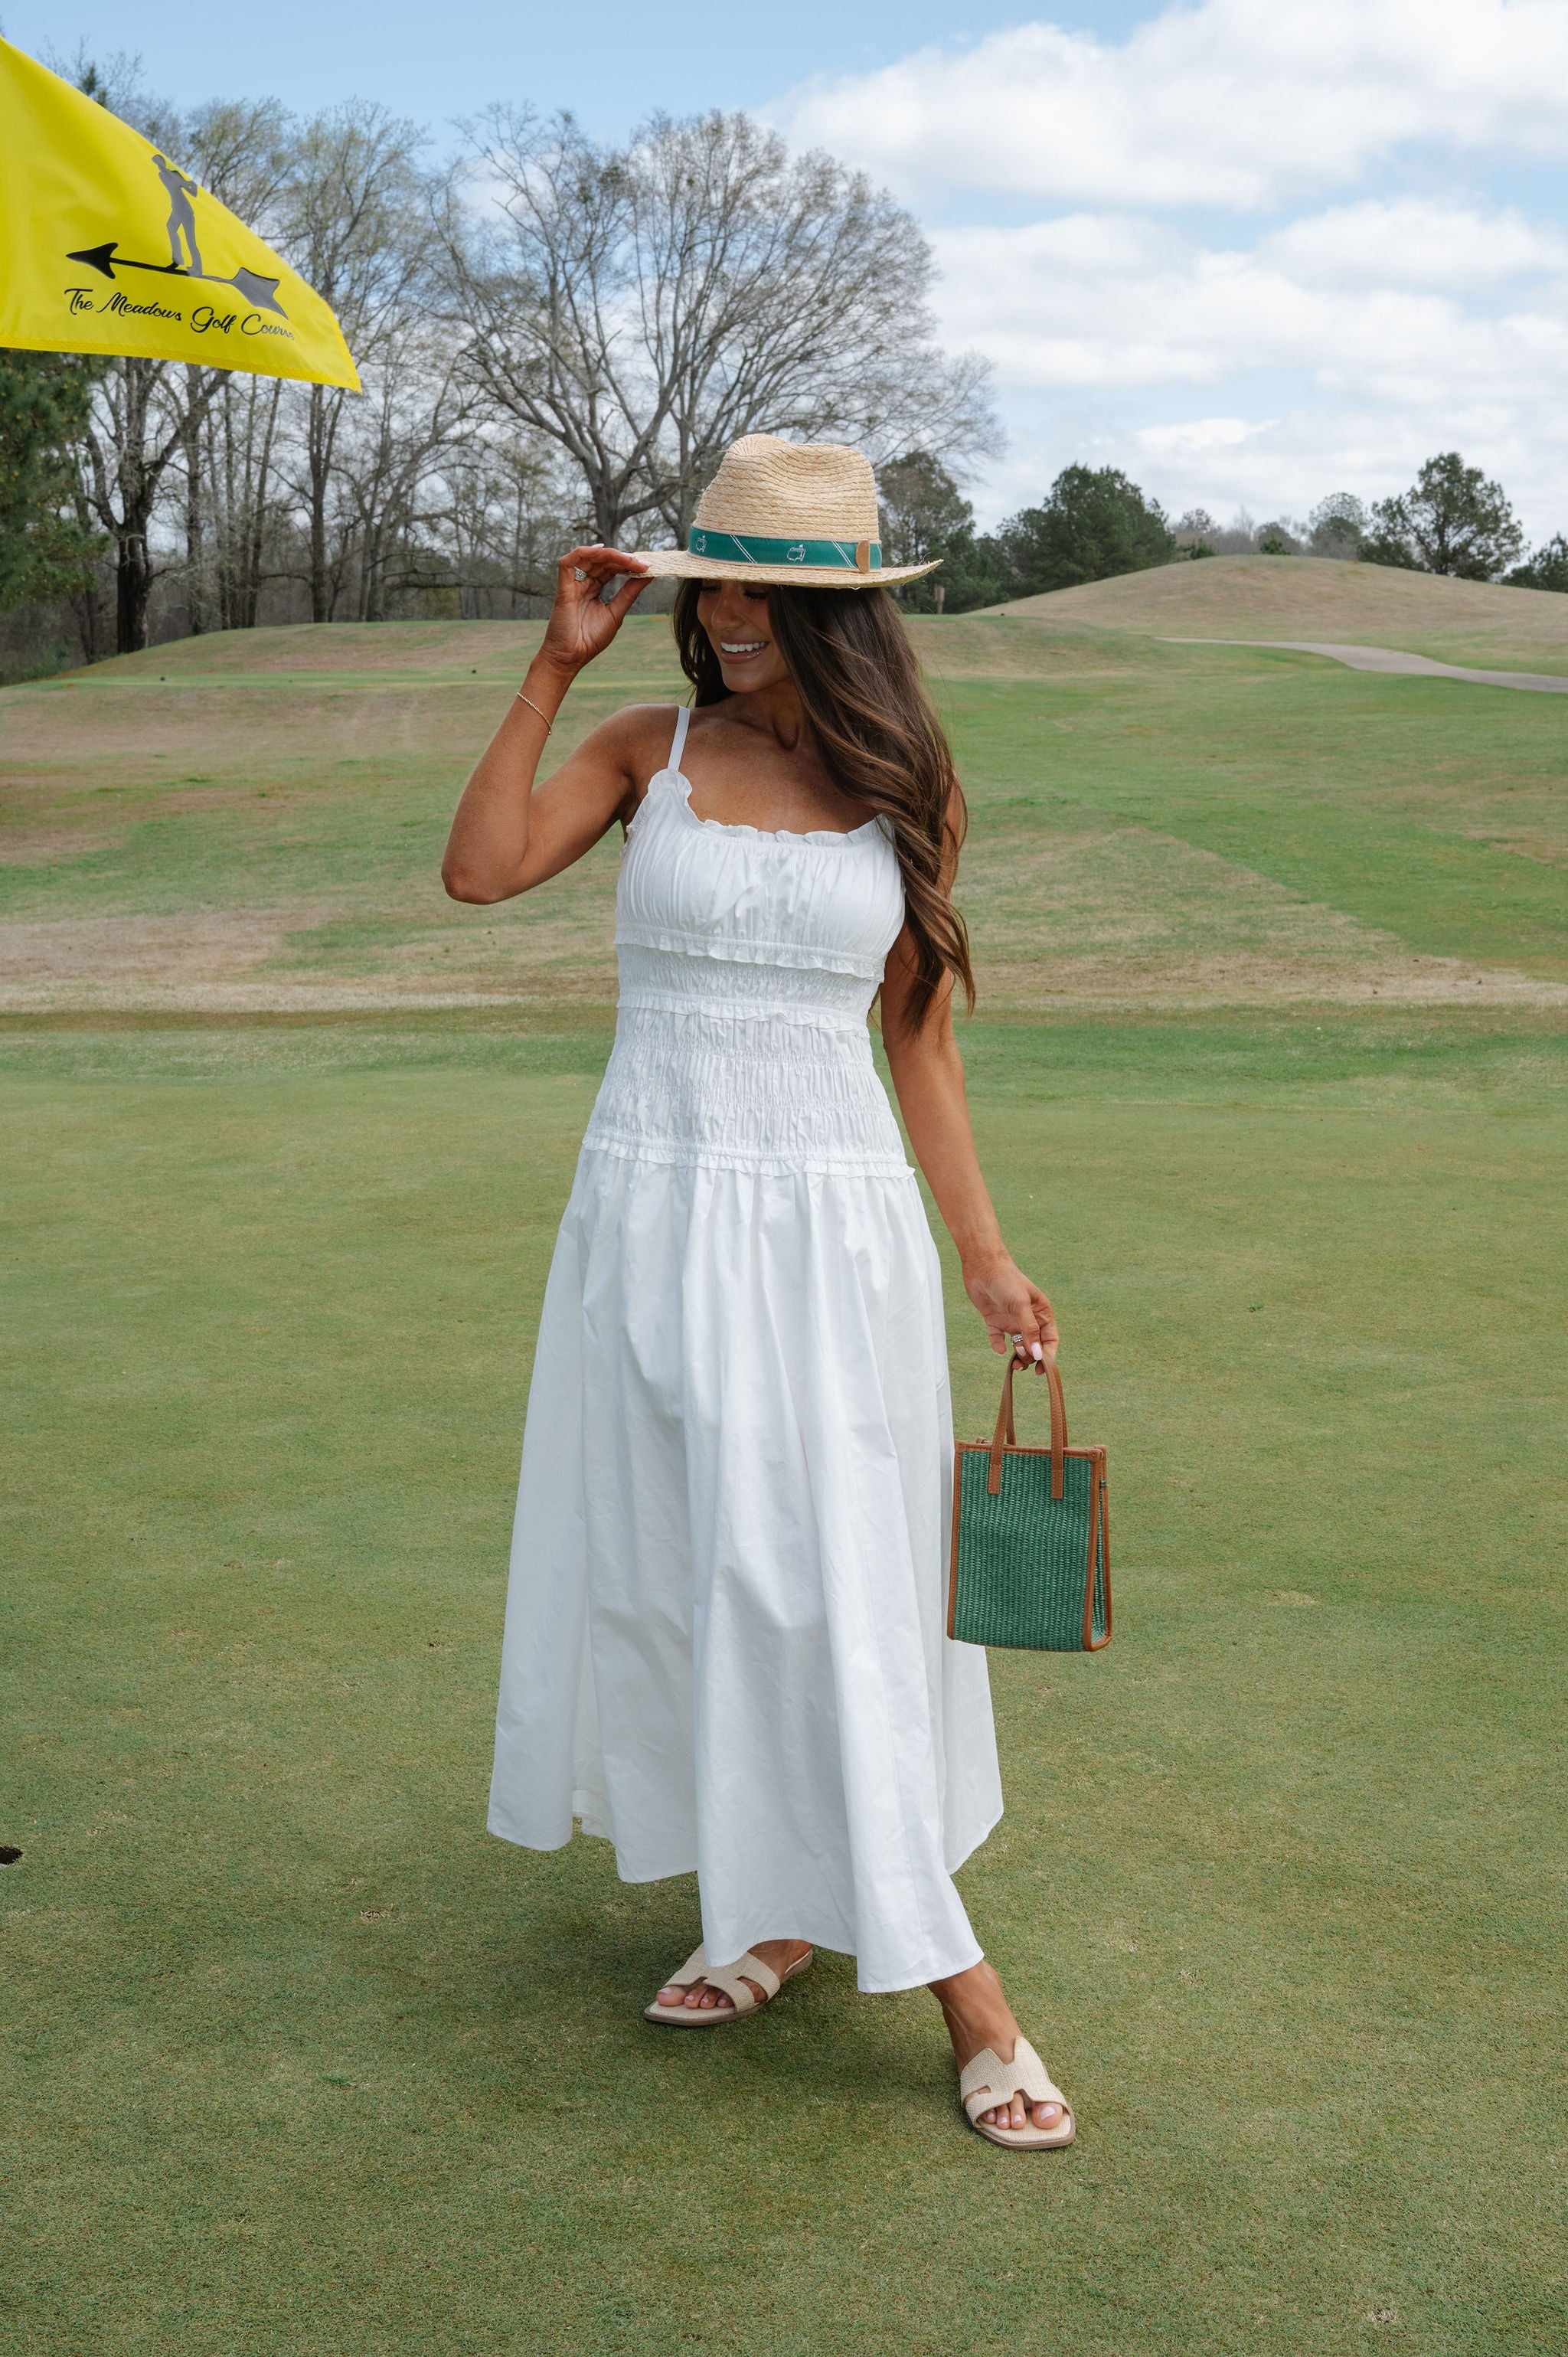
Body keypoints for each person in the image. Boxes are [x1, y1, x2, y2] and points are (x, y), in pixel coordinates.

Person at [442, 436, 1075, 2149]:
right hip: (650, 1214)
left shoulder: (907, 786)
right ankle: (770, 1913)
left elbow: (920, 1046)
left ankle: (970, 2000)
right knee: (696, 1568)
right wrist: (549, 666)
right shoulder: (643, 750)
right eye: (715, 583)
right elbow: (481, 872)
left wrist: (987, 1258)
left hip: (834, 1236)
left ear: (841, 613)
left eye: (764, 593)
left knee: (826, 1587)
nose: (724, 617)